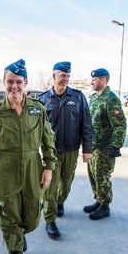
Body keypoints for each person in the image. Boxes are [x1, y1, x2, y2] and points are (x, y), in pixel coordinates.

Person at [0, 59, 57, 254]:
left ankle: (20, 237)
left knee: (32, 215)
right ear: (4, 83)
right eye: (10, 82)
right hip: (6, 171)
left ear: (26, 83)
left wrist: (49, 167)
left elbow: (48, 141)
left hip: (33, 168)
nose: (14, 87)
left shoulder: (37, 109)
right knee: (9, 216)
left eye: (18, 82)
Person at [37, 61, 92, 239]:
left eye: (68, 76)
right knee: (50, 187)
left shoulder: (77, 97)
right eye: (62, 76)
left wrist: (87, 149)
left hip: (71, 150)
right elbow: (35, 128)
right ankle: (50, 219)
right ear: (54, 76)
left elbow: (86, 124)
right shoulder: (43, 99)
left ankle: (59, 202)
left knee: (66, 183)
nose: (65, 79)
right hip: (50, 152)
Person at [84, 68, 127, 220]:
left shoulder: (111, 99)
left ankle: (105, 206)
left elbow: (120, 125)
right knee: (93, 175)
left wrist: (116, 146)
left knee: (103, 177)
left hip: (105, 147)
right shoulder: (95, 98)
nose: (92, 82)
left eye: (94, 80)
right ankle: (98, 200)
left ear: (103, 80)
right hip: (93, 146)